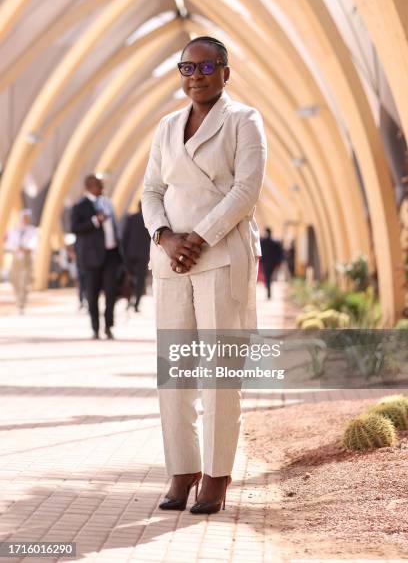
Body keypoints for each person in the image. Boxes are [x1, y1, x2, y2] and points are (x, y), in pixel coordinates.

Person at [142, 36, 266, 514]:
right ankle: (182, 469)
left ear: (226, 72)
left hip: (220, 257)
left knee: (219, 374)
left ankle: (215, 475)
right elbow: (150, 190)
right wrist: (166, 236)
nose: (196, 75)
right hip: (172, 262)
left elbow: (246, 189)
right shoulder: (167, 125)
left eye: (207, 66)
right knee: (175, 373)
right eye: (187, 68)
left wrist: (200, 236)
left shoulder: (243, 120)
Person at [71, 175, 122, 340]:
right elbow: (75, 228)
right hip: (91, 258)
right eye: (99, 186)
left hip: (110, 254)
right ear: (90, 187)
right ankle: (95, 328)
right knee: (92, 295)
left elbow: (114, 225)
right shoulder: (79, 206)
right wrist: (95, 221)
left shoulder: (107, 203)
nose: (102, 189)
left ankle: (108, 326)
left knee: (111, 292)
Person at [5, 209, 38, 313]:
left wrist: (25, 248)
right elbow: (9, 244)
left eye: (26, 218)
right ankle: (18, 298)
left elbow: (34, 242)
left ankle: (21, 303)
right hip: (16, 257)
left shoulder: (32, 230)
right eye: (23, 218)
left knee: (24, 280)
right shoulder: (14, 230)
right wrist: (16, 248)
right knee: (14, 279)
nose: (24, 220)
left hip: (26, 257)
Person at [121, 202, 150, 312]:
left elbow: (125, 237)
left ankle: (130, 301)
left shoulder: (131, 218)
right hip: (143, 255)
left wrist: (124, 254)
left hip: (131, 255)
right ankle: (136, 303)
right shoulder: (149, 220)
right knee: (140, 281)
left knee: (131, 279)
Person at [260, 227, 283, 299]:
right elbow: (280, 253)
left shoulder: (262, 242)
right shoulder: (275, 242)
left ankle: (268, 289)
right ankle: (269, 290)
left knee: (267, 277)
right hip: (272, 263)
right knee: (269, 277)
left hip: (266, 263)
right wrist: (279, 262)